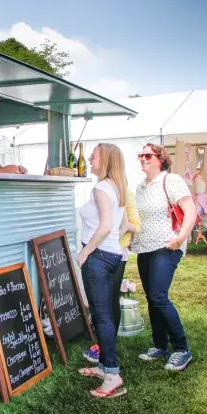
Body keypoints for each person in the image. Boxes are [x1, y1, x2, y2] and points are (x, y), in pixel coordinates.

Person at [131, 143, 196, 372]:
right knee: (151, 297)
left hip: (168, 244)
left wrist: (180, 238)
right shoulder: (140, 187)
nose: (142, 159)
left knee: (159, 295)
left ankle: (182, 349)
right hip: (145, 247)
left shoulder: (172, 180)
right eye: (140, 155)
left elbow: (191, 211)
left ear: (160, 158)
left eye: (147, 155)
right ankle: (160, 345)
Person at [75, 143, 130, 398]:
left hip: (97, 257)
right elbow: (125, 224)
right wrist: (110, 248)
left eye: (94, 156)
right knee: (105, 313)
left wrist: (86, 252)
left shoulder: (100, 188)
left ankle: (112, 374)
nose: (89, 159)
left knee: (101, 316)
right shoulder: (117, 187)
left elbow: (107, 225)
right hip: (112, 256)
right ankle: (104, 365)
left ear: (105, 160)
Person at [82, 186, 139, 366]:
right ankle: (106, 351)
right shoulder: (103, 189)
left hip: (112, 252)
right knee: (103, 304)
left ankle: (107, 352)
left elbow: (135, 224)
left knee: (109, 300)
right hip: (102, 251)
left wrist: (114, 236)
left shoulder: (123, 191)